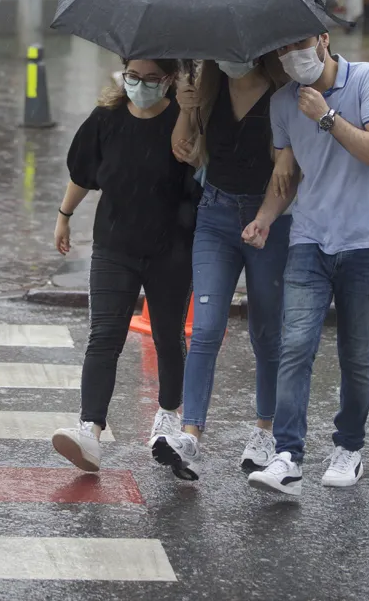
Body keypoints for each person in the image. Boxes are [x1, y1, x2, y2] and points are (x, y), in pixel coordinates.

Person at [241, 33, 369, 495]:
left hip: (367, 241)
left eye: (302, 43)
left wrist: (327, 118)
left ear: (324, 40)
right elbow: (286, 175)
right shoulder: (282, 103)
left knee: (356, 355)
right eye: (283, 48)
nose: (293, 55)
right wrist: (265, 219)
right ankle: (288, 457)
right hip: (309, 239)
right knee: (295, 345)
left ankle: (349, 447)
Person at [50, 59, 196, 471]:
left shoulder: (183, 119)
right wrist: (64, 215)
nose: (141, 85)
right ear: (123, 74)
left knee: (168, 336)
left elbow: (199, 179)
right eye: (134, 76)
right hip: (115, 246)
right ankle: (90, 431)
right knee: (104, 337)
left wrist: (188, 115)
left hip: (172, 250)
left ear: (168, 79)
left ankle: (167, 417)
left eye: (152, 79)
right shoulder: (106, 120)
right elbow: (83, 172)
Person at [151, 55, 291, 481]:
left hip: (271, 219)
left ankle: (266, 430)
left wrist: (265, 218)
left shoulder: (282, 96)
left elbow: (289, 173)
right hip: (215, 215)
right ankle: (190, 435)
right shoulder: (207, 86)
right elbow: (184, 150)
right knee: (207, 326)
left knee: (266, 330)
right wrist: (188, 107)